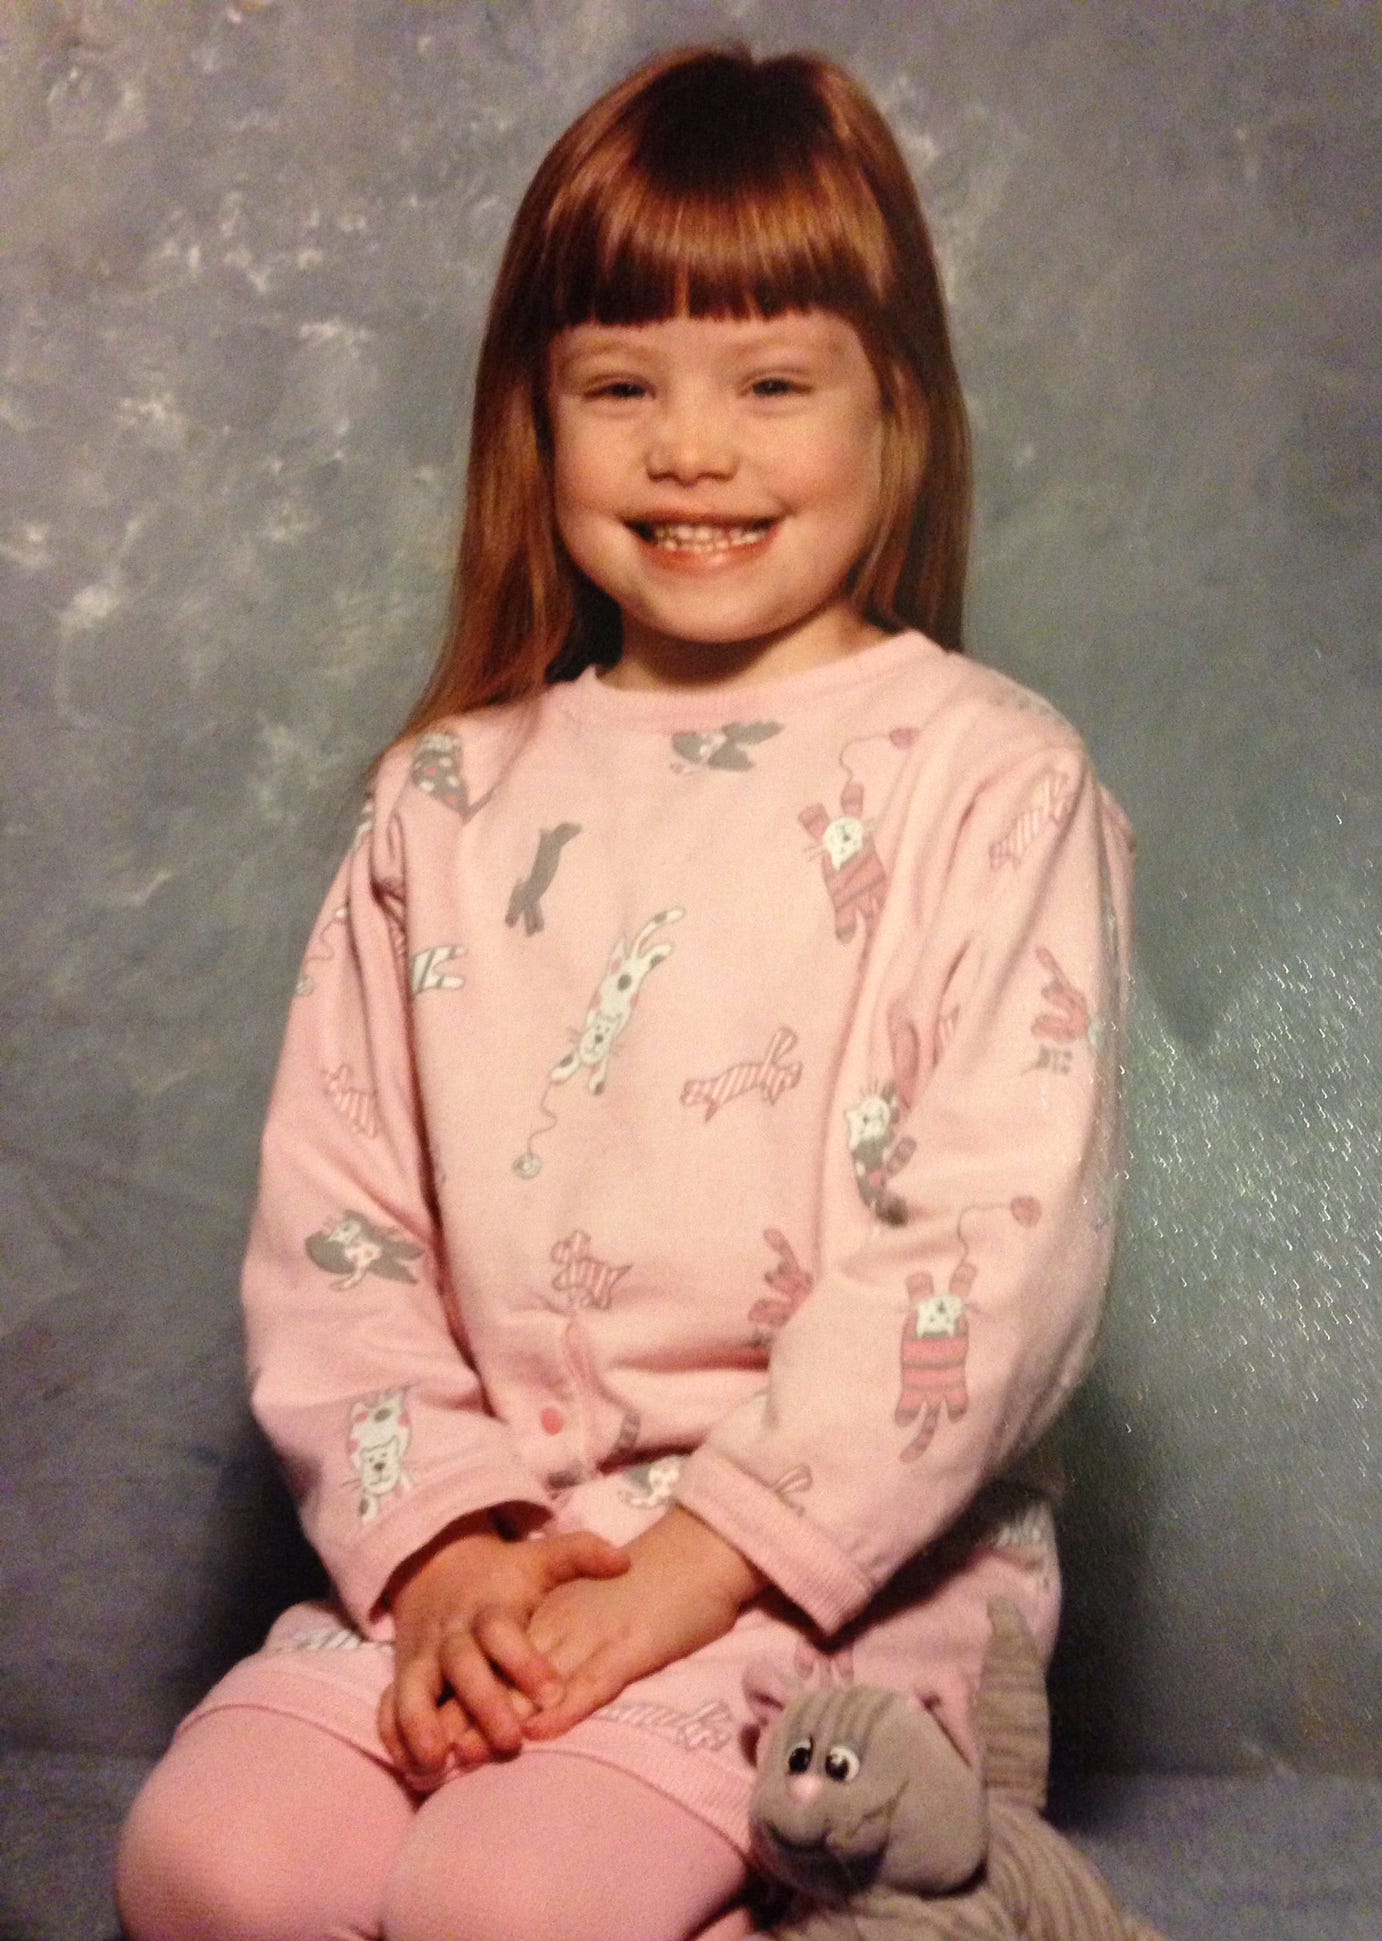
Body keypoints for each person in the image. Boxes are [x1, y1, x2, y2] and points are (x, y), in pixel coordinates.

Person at [115, 42, 1133, 1941]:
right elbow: (339, 1231)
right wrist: (452, 1553)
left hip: (821, 1573)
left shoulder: (992, 781)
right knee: (210, 1868)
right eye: (621, 386)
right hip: (499, 1551)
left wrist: (683, 1574)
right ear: (539, 416)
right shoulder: (443, 796)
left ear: (898, 411)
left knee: (503, 1905)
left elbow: (987, 1265)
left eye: (772, 384)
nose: (692, 450)